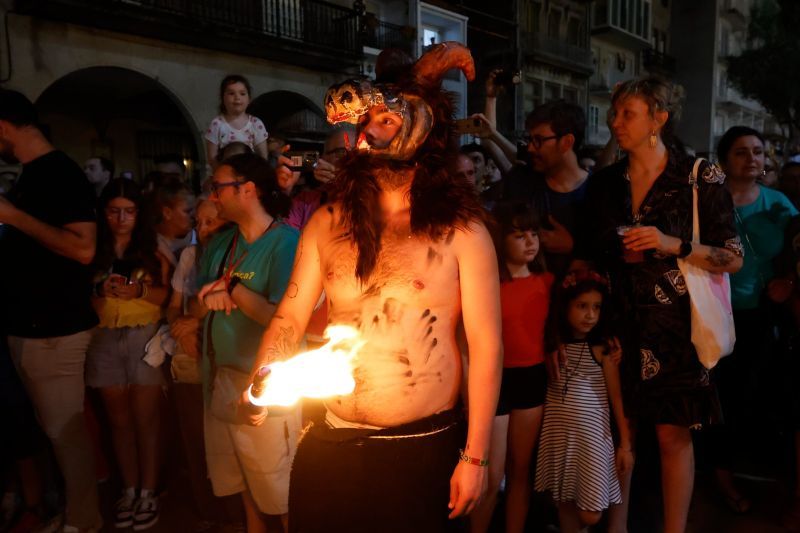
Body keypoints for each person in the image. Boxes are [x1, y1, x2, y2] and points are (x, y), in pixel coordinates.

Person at [246, 42, 501, 533]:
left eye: (384, 120)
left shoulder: (461, 232)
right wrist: (263, 378)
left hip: (420, 448)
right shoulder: (327, 223)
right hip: (331, 441)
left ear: (422, 126)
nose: (369, 134)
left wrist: (477, 457)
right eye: (365, 123)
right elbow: (289, 317)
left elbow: (486, 347)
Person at [579, 76, 743, 533]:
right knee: (621, 432)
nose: (615, 122)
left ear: (659, 118)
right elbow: (591, 249)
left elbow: (732, 258)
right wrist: (616, 253)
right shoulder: (607, 183)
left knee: (672, 436)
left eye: (627, 114)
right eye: (614, 113)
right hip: (620, 321)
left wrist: (672, 243)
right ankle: (619, 525)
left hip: (677, 330)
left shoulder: (696, 176)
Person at [0, 89, 102, 533]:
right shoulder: (30, 174)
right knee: (53, 430)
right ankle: (75, 513)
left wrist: (13, 217)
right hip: (33, 326)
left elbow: (83, 248)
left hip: (54, 329)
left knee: (66, 433)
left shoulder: (59, 173)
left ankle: (83, 521)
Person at [192, 153, 300, 533]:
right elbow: (195, 304)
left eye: (218, 187)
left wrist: (233, 289)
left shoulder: (287, 243)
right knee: (240, 480)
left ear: (248, 189)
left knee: (279, 487)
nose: (213, 196)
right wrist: (209, 298)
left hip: (265, 387)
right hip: (219, 381)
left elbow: (283, 318)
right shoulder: (223, 244)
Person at [709, 126, 798, 513]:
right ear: (725, 160)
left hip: (764, 314)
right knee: (721, 398)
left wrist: (790, 281)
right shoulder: (708, 202)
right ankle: (721, 478)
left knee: (759, 395)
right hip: (716, 315)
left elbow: (798, 252)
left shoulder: (780, 204)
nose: (753, 159)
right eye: (742, 152)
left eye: (759, 152)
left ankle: (754, 470)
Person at [86, 178, 170, 530]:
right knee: (118, 422)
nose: (121, 219)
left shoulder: (154, 249)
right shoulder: (91, 250)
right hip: (103, 338)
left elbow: (166, 296)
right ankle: (130, 488)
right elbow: (81, 300)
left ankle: (148, 491)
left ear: (140, 214)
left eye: (129, 212)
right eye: (114, 211)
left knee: (146, 421)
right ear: (103, 213)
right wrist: (98, 288)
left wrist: (138, 289)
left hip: (144, 337)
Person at [470, 203, 552, 533]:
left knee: (520, 470)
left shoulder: (547, 281)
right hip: (496, 378)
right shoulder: (489, 284)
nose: (530, 241)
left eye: (533, 234)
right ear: (502, 239)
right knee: (491, 473)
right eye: (520, 235)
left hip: (532, 377)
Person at [535, 271, 632, 533]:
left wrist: (625, 444)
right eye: (582, 306)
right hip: (560, 436)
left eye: (596, 307)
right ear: (565, 306)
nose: (590, 315)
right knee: (564, 500)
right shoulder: (554, 349)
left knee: (590, 515)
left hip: (592, 442)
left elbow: (616, 398)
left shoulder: (603, 350)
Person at [166, 195, 233, 527]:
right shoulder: (192, 256)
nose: (204, 229)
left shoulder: (240, 254)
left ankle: (236, 513)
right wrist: (182, 331)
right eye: (199, 223)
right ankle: (208, 511)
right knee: (195, 437)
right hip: (194, 354)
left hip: (227, 356)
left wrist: (197, 323)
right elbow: (174, 305)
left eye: (212, 222)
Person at [507, 101, 591, 277]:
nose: (530, 148)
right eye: (530, 139)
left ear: (567, 142)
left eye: (538, 140)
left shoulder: (598, 192)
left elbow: (613, 253)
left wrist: (573, 247)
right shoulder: (521, 183)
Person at [205, 75, 268, 170]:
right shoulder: (217, 124)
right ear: (223, 98)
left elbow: (263, 156)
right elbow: (212, 158)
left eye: (242, 94)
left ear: (249, 99)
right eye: (231, 93)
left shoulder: (256, 123)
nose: (237, 97)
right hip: (224, 172)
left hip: (249, 172)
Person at [150, 178, 196, 267]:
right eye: (187, 211)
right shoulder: (151, 245)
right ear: (167, 213)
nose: (194, 215)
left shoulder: (199, 238)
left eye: (194, 209)